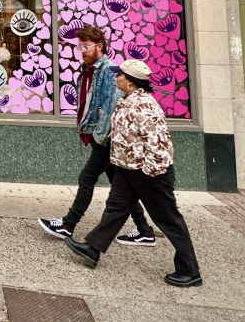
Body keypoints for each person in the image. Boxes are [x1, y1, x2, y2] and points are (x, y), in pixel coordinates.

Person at [64, 59, 202, 287]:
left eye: (120, 75)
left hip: (148, 173)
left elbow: (159, 143)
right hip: (127, 168)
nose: (116, 77)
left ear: (130, 82)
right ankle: (93, 248)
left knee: (168, 219)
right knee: (115, 209)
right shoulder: (127, 101)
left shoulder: (144, 106)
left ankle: (189, 270)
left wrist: (150, 173)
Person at [38, 26, 156, 246]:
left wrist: (99, 138)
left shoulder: (109, 70)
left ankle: (68, 224)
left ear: (99, 46)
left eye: (86, 47)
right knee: (121, 186)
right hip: (98, 135)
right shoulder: (89, 70)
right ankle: (144, 230)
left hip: (105, 138)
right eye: (80, 46)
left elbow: (110, 110)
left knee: (87, 178)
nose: (81, 51)